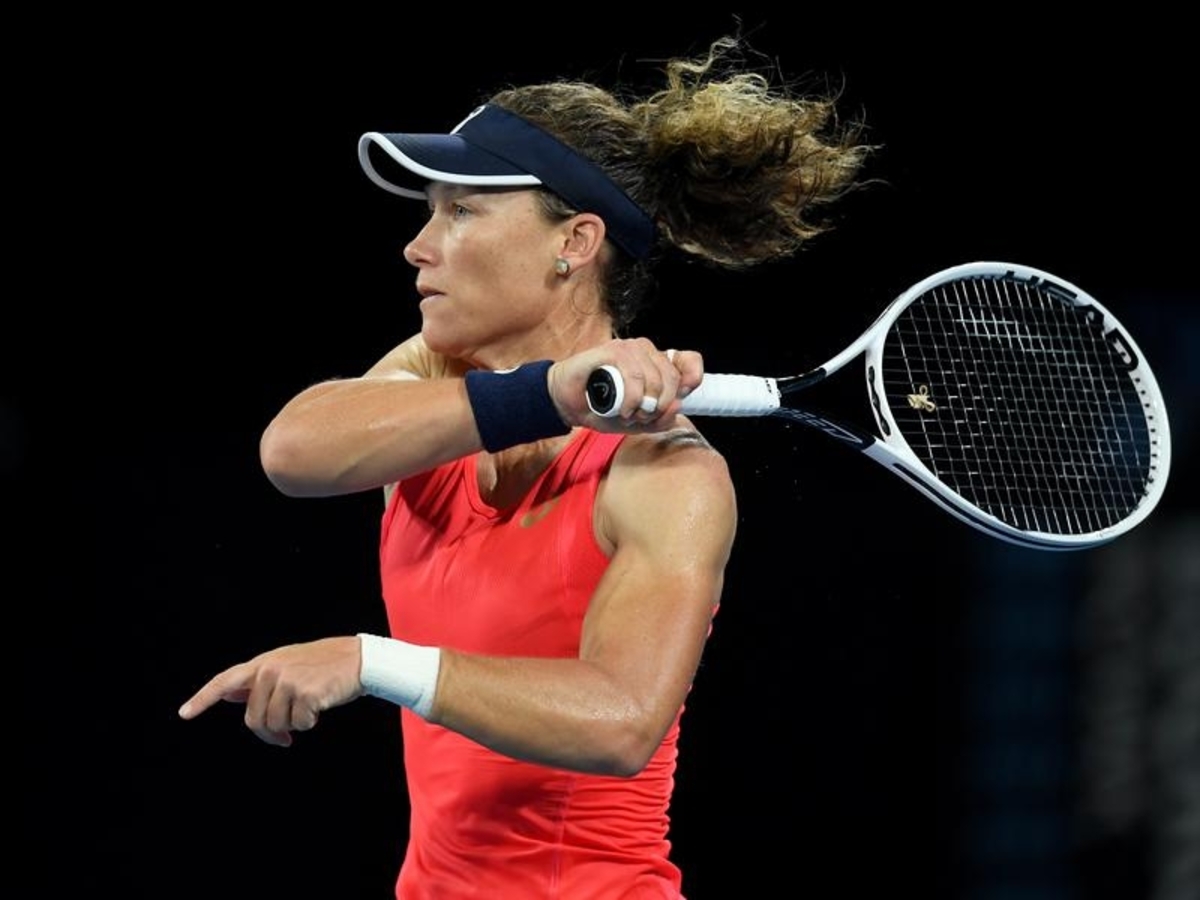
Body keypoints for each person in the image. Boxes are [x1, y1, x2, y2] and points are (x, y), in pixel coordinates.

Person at [179, 34, 873, 899]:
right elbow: (293, 451)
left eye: (462, 211)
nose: (418, 246)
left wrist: (373, 663)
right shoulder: (442, 378)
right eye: (429, 213)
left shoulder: (667, 473)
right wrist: (549, 394)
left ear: (574, 242)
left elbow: (620, 723)